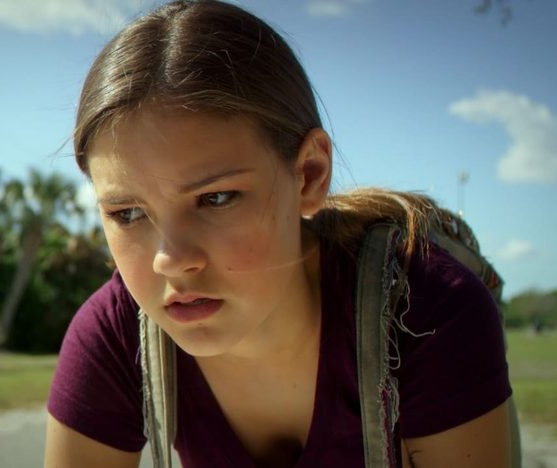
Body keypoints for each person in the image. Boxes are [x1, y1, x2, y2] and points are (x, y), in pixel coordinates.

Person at [44, 1, 514, 466]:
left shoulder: (426, 310)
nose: (170, 260)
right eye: (127, 213)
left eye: (216, 198)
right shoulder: (114, 335)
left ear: (309, 174)